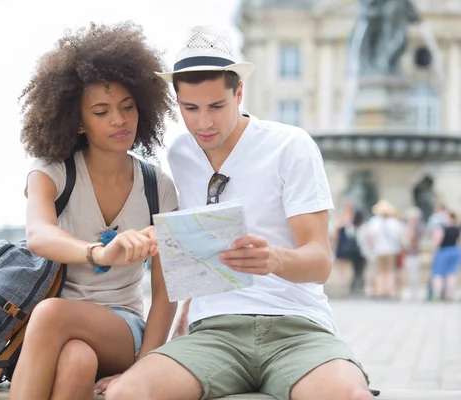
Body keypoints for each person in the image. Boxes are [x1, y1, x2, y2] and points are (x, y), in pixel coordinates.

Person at [105, 25, 373, 400]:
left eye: (217, 106)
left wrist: (274, 259)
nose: (204, 123)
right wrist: (151, 353)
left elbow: (320, 262)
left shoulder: (290, 145)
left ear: (240, 93)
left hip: (296, 329)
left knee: (349, 396)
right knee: (126, 394)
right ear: (177, 103)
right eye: (190, 109)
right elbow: (186, 260)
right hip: (213, 333)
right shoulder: (181, 155)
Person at [9, 21, 178, 400]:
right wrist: (99, 252)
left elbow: (167, 291)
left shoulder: (158, 187)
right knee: (76, 361)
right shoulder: (51, 173)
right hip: (53, 334)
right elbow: (39, 235)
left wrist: (143, 366)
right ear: (78, 121)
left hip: (123, 328)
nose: (119, 120)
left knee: (52, 314)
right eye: (101, 112)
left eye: (127, 106)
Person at [366, 199, 404, 299]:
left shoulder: (374, 221)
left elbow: (371, 238)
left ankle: (380, 290)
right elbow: (400, 237)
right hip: (391, 250)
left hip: (379, 250)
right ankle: (390, 291)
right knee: (390, 271)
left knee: (380, 272)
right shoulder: (395, 222)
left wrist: (371, 249)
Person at [431, 211, 460, 301]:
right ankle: (450, 295)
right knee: (451, 273)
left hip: (443, 251)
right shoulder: (457, 228)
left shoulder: (441, 228)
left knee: (438, 274)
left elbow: (437, 241)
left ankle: (437, 295)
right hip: (454, 250)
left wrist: (434, 251)